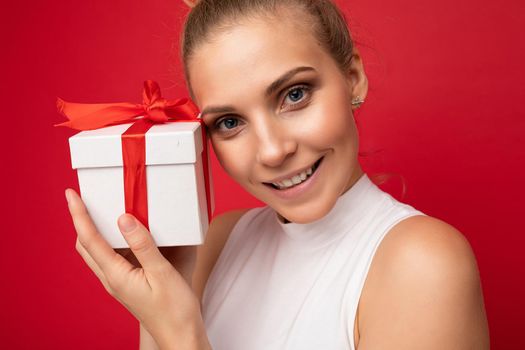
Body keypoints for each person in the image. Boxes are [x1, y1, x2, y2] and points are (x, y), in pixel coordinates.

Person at [65, 0, 490, 349]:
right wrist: (155, 303)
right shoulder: (216, 242)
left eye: (295, 95)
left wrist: (180, 334)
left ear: (353, 79)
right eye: (230, 122)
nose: (272, 150)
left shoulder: (423, 263)